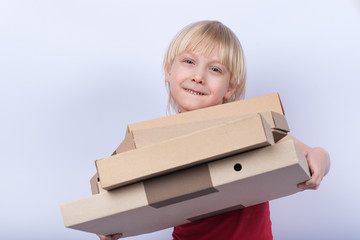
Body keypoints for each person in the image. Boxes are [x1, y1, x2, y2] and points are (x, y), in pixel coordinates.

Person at [98, 20, 330, 240]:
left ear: (231, 87)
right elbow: (108, 182)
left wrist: (319, 161)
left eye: (215, 69)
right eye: (189, 62)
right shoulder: (155, 139)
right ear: (169, 72)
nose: (198, 77)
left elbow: (314, 154)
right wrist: (105, 223)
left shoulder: (248, 127)